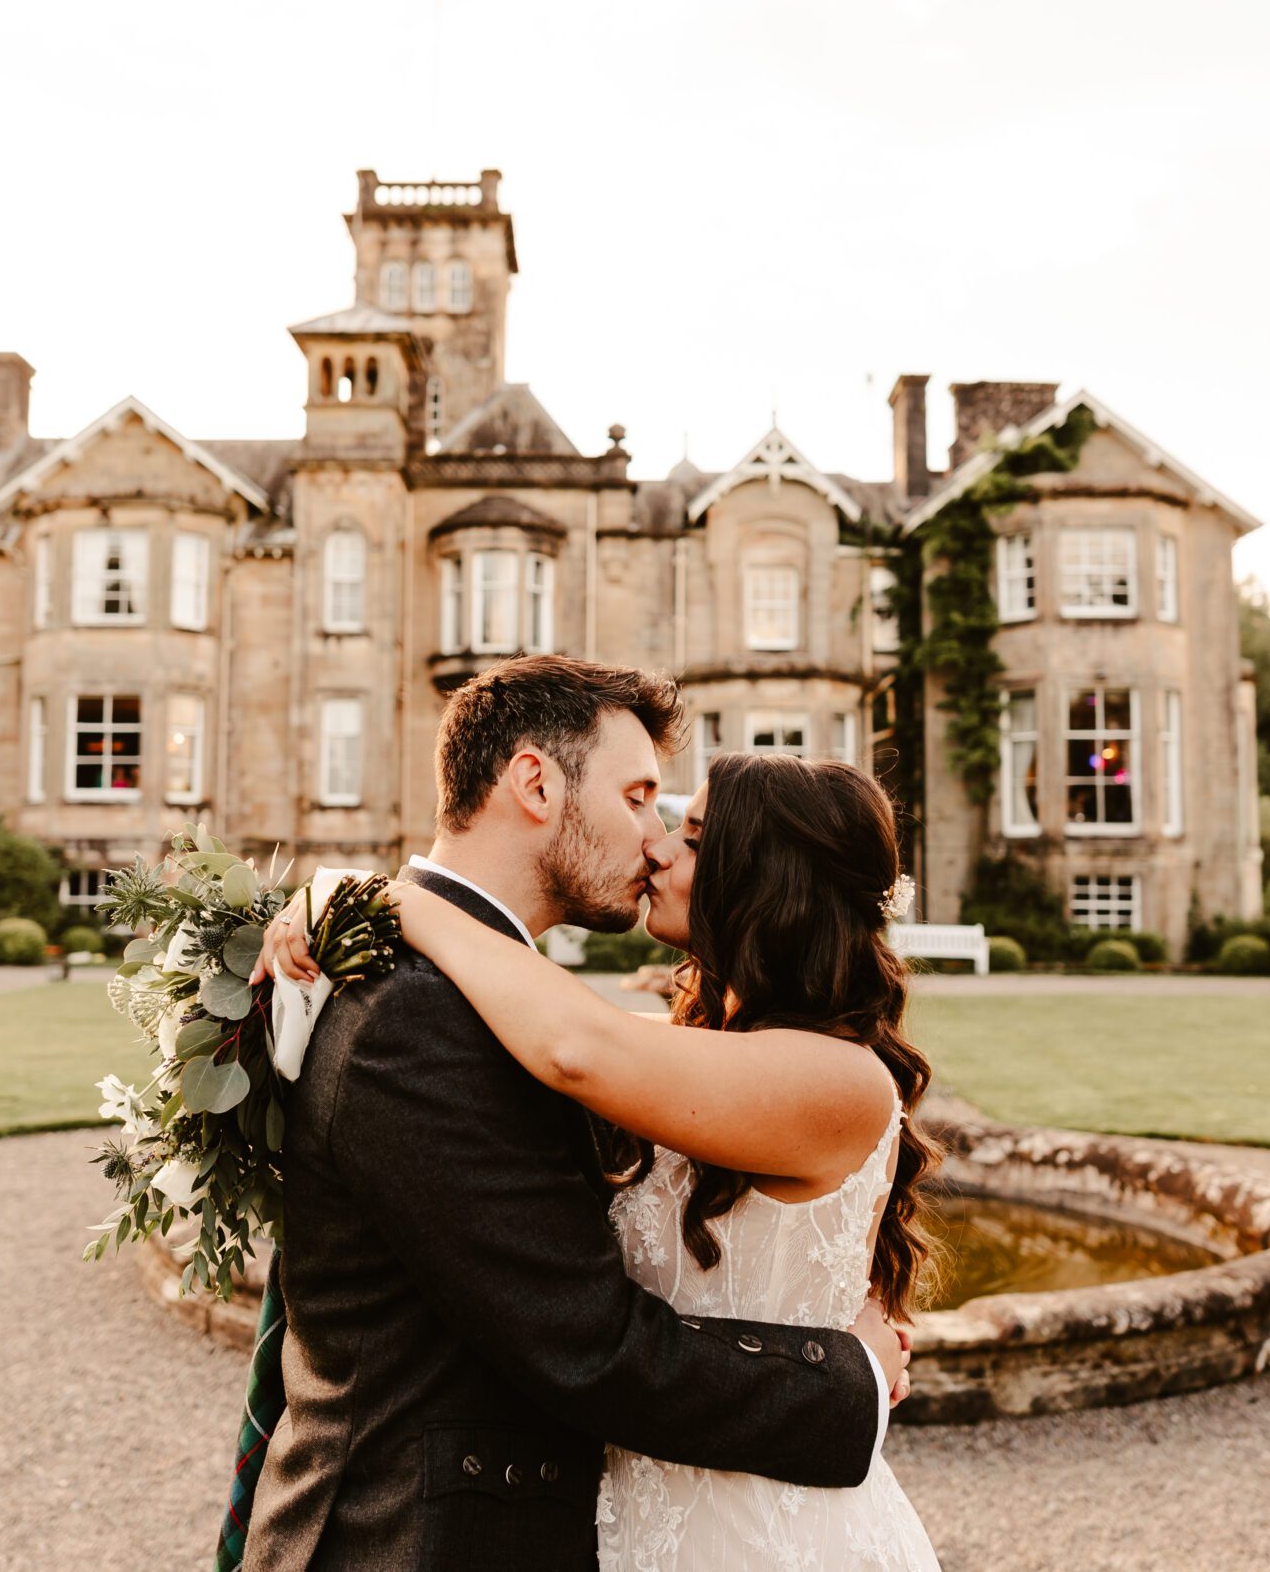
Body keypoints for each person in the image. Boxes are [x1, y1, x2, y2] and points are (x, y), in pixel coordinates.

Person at [242, 657, 909, 1572]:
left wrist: (378, 895)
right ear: (536, 782)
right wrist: (848, 1385)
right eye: (640, 798)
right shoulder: (421, 1012)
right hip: (416, 1539)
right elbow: (587, 1341)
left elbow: (579, 1048)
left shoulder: (508, 1005)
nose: (657, 841)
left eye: (683, 825)